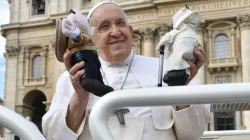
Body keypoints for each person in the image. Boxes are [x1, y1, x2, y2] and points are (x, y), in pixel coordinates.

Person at [42, 2, 210, 140]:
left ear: (130, 31)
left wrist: (181, 90)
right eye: (104, 26)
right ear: (91, 37)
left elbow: (192, 133)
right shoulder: (72, 77)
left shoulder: (166, 68)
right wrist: (80, 95)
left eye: (120, 23)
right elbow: (57, 137)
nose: (115, 32)